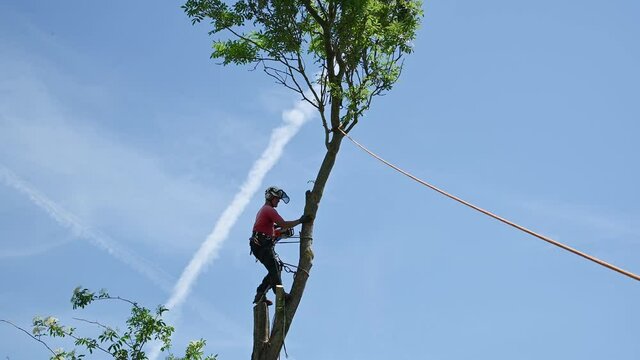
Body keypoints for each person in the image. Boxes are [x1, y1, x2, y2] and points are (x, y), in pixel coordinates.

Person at [250, 186, 311, 305]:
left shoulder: (264, 212)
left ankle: (260, 293)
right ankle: (280, 294)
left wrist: (281, 232)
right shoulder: (268, 210)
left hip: (260, 244)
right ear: (270, 197)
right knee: (274, 268)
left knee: (276, 268)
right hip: (261, 244)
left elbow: (271, 230)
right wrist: (300, 220)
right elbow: (283, 223)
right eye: (277, 198)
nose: (278, 201)